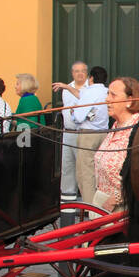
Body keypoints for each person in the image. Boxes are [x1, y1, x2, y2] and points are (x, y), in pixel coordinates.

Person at [92, 76, 139, 213]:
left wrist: (116, 199)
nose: (107, 99)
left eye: (113, 95)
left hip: (121, 209)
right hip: (101, 203)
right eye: (107, 94)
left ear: (129, 101)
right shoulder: (116, 126)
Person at [74, 66, 111, 203]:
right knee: (101, 173)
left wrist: (73, 113)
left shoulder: (89, 92)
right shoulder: (107, 92)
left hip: (88, 135)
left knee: (86, 173)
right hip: (104, 133)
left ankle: (91, 209)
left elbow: (78, 117)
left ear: (91, 78)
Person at [53, 61, 89, 202]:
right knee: (67, 167)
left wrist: (67, 87)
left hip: (84, 133)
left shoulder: (90, 88)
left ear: (87, 73)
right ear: (72, 73)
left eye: (83, 71)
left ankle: (87, 203)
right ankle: (67, 200)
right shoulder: (66, 89)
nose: (80, 74)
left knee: (84, 168)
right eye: (76, 71)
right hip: (68, 132)